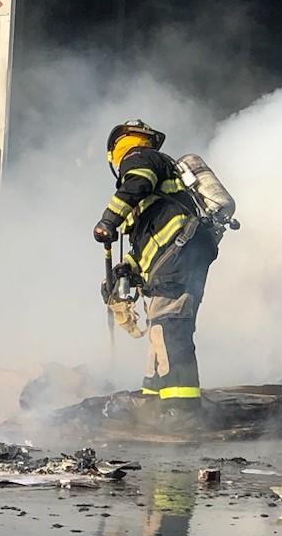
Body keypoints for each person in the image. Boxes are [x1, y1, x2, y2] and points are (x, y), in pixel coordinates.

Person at [93, 119, 219, 417]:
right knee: (160, 329)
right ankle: (154, 401)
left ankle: (181, 410)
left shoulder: (139, 157)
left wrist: (108, 221)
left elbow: (138, 181)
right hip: (179, 254)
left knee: (170, 325)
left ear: (117, 149)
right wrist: (126, 270)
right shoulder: (154, 193)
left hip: (180, 250)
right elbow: (149, 243)